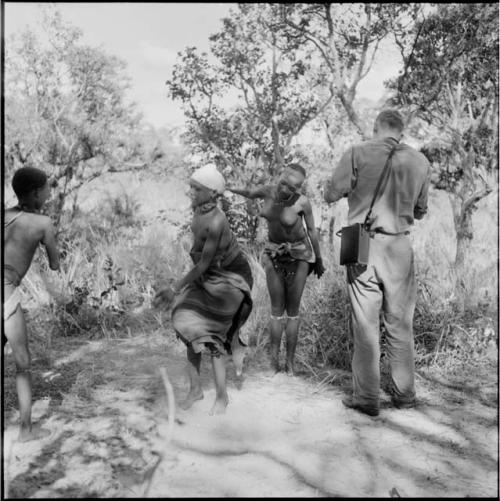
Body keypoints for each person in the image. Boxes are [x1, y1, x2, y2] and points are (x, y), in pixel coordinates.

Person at [323, 109, 430, 417]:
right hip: (399, 245)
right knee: (400, 322)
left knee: (365, 324)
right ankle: (405, 395)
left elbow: (331, 193)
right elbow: (421, 210)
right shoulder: (420, 161)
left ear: (376, 127)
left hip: (362, 243)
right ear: (401, 131)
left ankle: (367, 397)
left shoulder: (357, 152)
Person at [154, 163, 253, 416]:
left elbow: (205, 263)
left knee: (210, 333)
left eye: (197, 189)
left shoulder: (216, 220)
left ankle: (222, 397)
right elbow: (202, 264)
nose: (192, 192)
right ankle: (195, 390)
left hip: (232, 278)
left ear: (212, 193)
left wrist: (175, 288)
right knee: (186, 320)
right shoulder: (198, 212)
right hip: (209, 275)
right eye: (191, 187)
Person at [228, 163, 325, 375]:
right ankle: (274, 363)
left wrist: (318, 259)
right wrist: (227, 188)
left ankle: (290, 365)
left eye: (293, 188)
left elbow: (312, 232)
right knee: (276, 311)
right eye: (284, 183)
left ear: (298, 189)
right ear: (280, 176)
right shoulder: (268, 191)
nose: (286, 189)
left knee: (292, 312)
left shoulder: (303, 203)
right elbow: (250, 193)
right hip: (273, 254)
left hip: (300, 255)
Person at [3, 166, 60, 441]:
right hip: (6, 293)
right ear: (36, 193)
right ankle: (25, 430)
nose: (50, 193)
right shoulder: (43, 223)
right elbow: (55, 263)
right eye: (47, 188)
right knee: (23, 362)